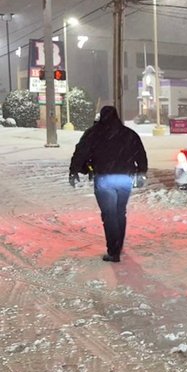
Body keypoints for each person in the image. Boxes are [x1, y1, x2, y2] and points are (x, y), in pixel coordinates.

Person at [68, 106, 148, 263]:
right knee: (120, 212)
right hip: (124, 178)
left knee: (109, 214)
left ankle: (113, 251)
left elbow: (81, 152)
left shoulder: (93, 133)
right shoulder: (128, 134)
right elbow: (141, 155)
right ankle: (118, 246)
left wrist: (74, 170)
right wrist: (141, 172)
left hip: (104, 178)